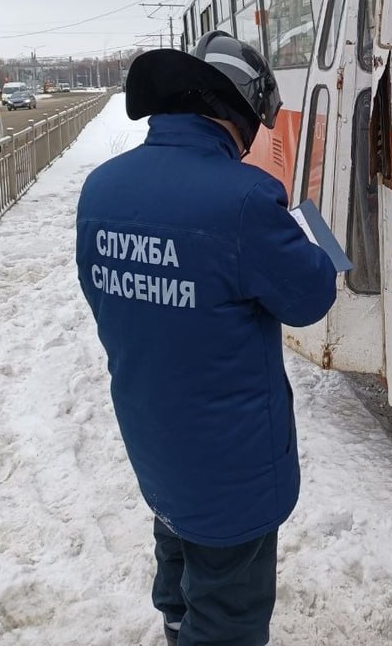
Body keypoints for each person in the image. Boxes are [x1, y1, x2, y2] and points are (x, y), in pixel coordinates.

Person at [75, 31, 337, 646]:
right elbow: (310, 297)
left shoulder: (100, 190)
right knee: (228, 618)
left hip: (155, 445)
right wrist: (318, 231)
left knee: (178, 570)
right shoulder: (244, 199)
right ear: (240, 114)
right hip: (234, 471)